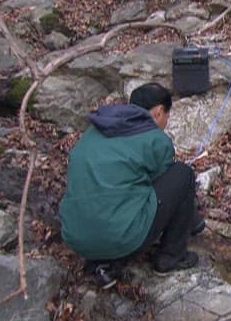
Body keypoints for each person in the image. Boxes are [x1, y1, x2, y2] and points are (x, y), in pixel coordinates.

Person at [59, 82, 205, 289]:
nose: (165, 122)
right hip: (123, 237)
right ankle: (170, 257)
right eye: (167, 116)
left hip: (76, 238)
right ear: (158, 112)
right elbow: (163, 187)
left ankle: (103, 262)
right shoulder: (155, 139)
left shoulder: (93, 131)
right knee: (182, 173)